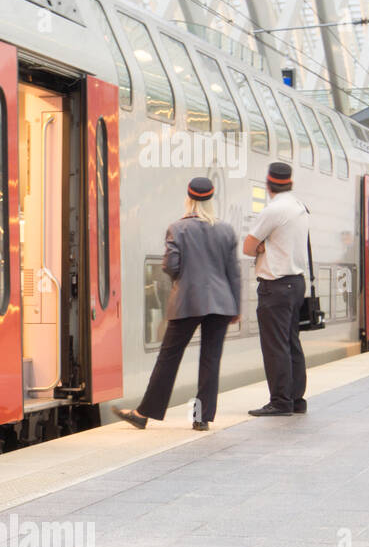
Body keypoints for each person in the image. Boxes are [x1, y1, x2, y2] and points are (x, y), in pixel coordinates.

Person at [113, 177, 240, 432]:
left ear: (189, 199)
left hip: (187, 301)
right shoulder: (226, 230)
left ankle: (144, 413)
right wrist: (235, 306)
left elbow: (170, 266)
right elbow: (234, 272)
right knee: (210, 359)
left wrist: (181, 278)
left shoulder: (177, 229)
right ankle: (200, 418)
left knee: (169, 357)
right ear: (211, 200)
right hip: (221, 303)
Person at [243, 161, 310, 417]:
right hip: (296, 283)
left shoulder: (273, 210)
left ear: (269, 184)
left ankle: (280, 401)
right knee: (292, 342)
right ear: (289, 183)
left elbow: (248, 247)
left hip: (276, 286)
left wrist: (261, 246)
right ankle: (296, 399)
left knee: (275, 345)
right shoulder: (299, 206)